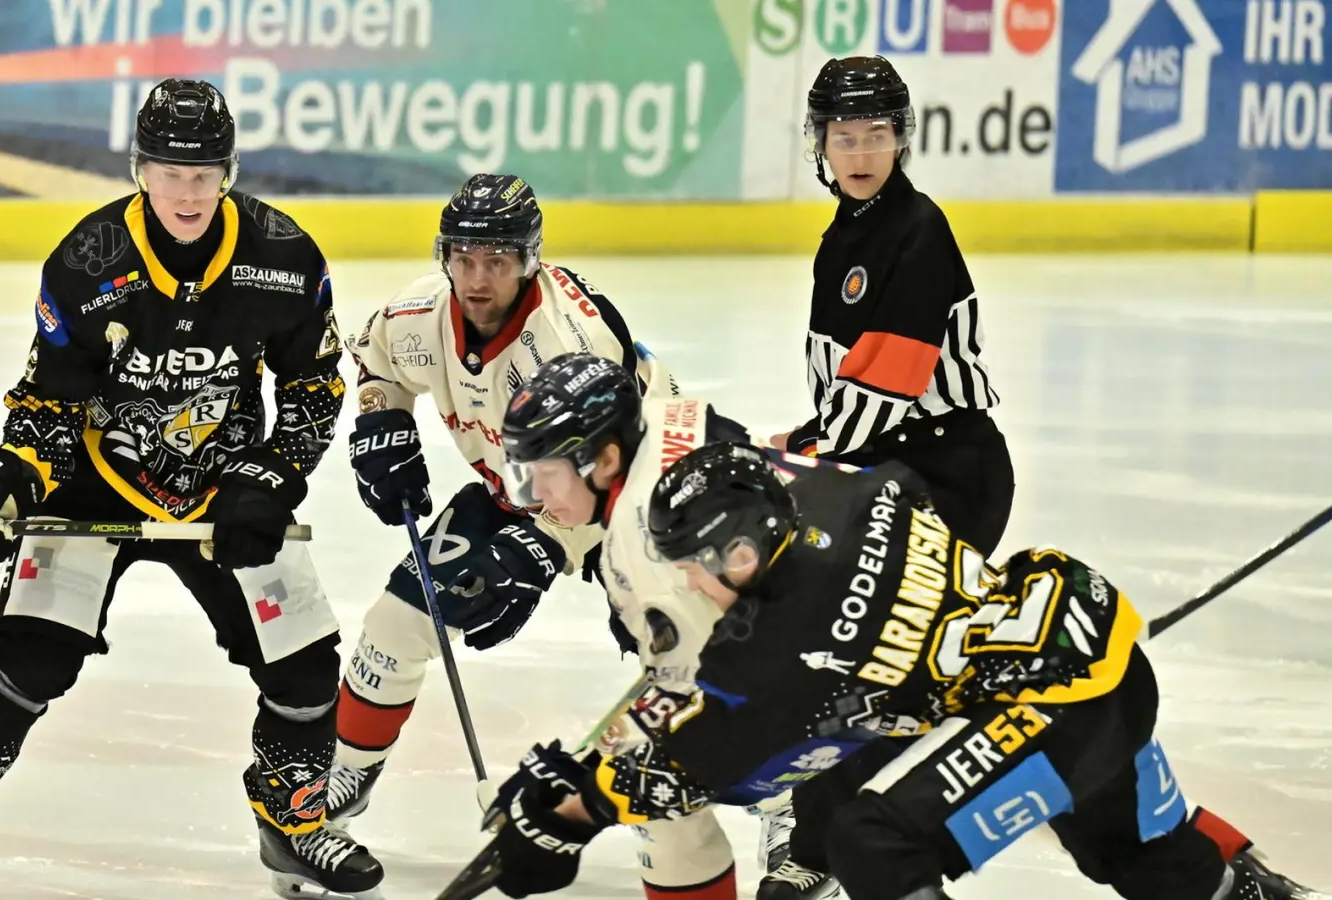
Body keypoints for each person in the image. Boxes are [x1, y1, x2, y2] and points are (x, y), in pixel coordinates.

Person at [0, 79, 381, 900]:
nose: (188, 192)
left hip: (225, 488)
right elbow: (50, 401)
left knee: (306, 668)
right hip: (92, 483)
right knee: (32, 659)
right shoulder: (87, 260)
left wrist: (270, 477)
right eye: (171, 172)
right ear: (140, 169)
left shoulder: (285, 257)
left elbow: (314, 385)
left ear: (230, 171)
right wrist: (8, 477)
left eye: (204, 173)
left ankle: (294, 826)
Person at [461, 440, 1328, 900]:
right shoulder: (828, 491)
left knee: (873, 842)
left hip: (1057, 700)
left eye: (701, 566)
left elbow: (705, 766)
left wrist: (572, 809)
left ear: (745, 547)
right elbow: (872, 480)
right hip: (1081, 645)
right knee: (1133, 855)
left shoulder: (785, 642)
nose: (691, 584)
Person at [329, 171, 669, 819]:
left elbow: (609, 469)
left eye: (497, 261)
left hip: (638, 498)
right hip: (520, 485)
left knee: (686, 658)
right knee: (397, 623)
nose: (477, 279)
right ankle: (347, 771)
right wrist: (381, 419)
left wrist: (542, 550)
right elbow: (377, 360)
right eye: (463, 259)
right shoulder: (418, 314)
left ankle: (785, 809)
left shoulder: (568, 344)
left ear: (529, 261)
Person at [492, 353, 833, 900]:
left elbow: (690, 696)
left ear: (605, 460)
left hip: (849, 670)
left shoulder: (645, 546)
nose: (538, 496)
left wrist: (579, 800)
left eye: (547, 474)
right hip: (865, 592)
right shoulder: (665, 417)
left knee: (651, 793)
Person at [775, 55, 1013, 559]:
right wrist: (812, 440)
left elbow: (886, 381)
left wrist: (808, 446)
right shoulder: (841, 239)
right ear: (821, 144)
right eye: (845, 139)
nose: (861, 155)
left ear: (900, 140)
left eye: (876, 136)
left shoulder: (919, 231)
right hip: (885, 464)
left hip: (946, 476)